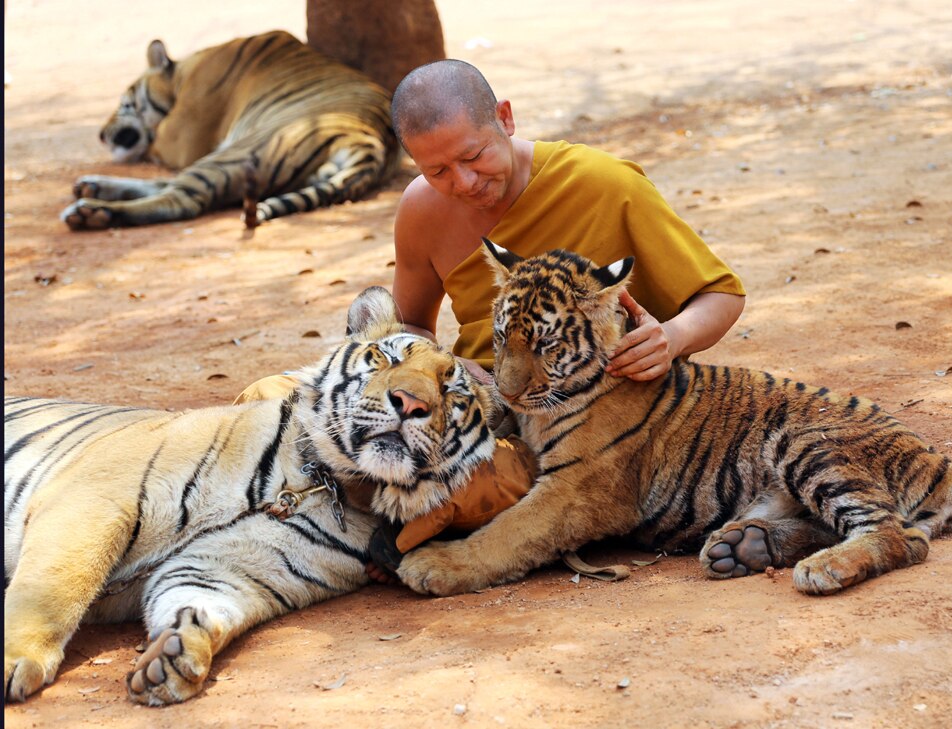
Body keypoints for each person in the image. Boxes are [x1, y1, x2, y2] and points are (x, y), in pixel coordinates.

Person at [240, 59, 746, 578]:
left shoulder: (606, 184)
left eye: (473, 156)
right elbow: (412, 326)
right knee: (268, 399)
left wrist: (674, 336)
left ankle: (373, 526)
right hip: (466, 398)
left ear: (505, 118)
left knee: (484, 484)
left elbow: (722, 294)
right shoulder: (421, 210)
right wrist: (449, 370)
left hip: (576, 418)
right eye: (436, 171)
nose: (462, 182)